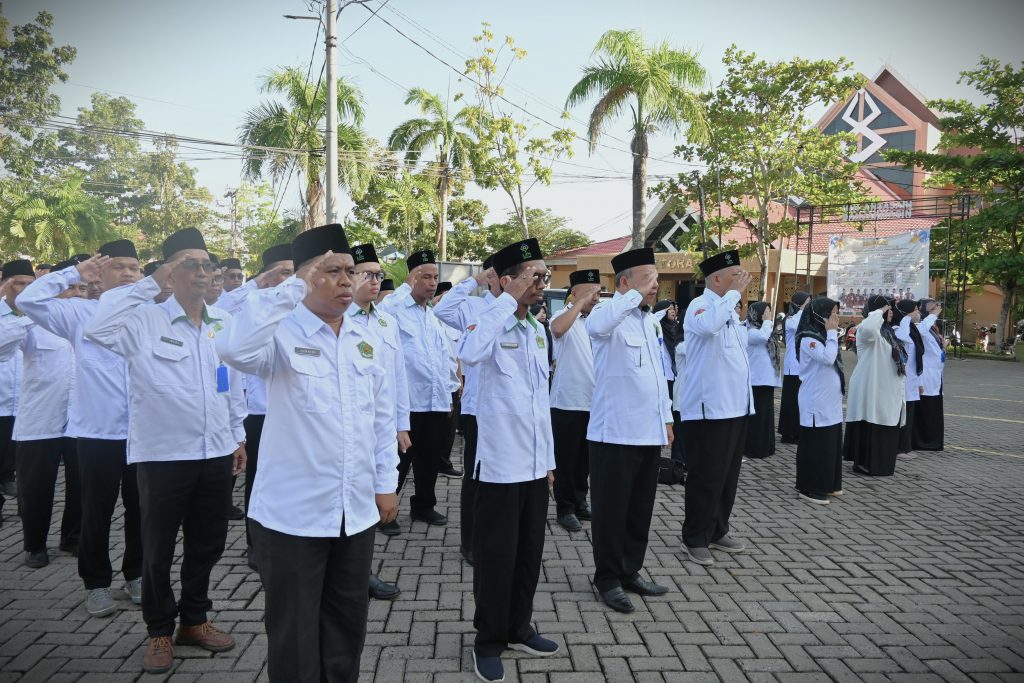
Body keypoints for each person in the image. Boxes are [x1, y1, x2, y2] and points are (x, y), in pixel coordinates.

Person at [217, 223, 398, 682]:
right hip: (292, 516)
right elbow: (234, 349)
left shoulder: (366, 335)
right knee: (294, 635)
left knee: (345, 627)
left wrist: (385, 483)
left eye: (350, 271)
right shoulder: (279, 331)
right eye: (331, 270)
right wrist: (290, 289)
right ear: (304, 276)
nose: (346, 281)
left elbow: (381, 417)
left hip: (354, 512)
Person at [85, 227, 247, 673]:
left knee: (207, 544)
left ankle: (194, 620)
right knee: (157, 549)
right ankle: (159, 630)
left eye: (206, 264)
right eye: (188, 264)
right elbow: (97, 328)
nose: (201, 272)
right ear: (169, 274)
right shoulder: (143, 321)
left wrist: (237, 437)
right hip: (162, 456)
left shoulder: (223, 325)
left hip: (215, 451)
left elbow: (231, 385)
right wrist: (148, 284)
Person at [18, 241, 144, 618]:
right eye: (117, 267)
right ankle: (96, 583)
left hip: (144, 433)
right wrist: (73, 274)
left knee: (141, 510)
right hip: (96, 433)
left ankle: (136, 574)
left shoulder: (153, 314)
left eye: (134, 268)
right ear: (99, 275)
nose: (127, 274)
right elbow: (28, 301)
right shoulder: (78, 313)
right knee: (96, 511)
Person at [459, 238, 559, 682]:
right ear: (505, 280)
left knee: (528, 553)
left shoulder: (537, 330)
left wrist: (551, 462)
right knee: (496, 557)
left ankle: (519, 627)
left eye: (544, 276)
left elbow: (541, 402)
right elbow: (469, 354)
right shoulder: (488, 319)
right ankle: (488, 640)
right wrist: (505, 302)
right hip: (499, 465)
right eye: (533, 276)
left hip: (535, 465)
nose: (541, 283)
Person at [587, 247, 673, 613]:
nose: (655, 285)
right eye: (647, 278)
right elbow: (596, 325)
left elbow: (657, 377)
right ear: (625, 283)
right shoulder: (609, 313)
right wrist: (633, 296)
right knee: (612, 510)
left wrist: (667, 419)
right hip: (614, 434)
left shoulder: (648, 321)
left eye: (656, 278)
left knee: (640, 508)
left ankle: (630, 570)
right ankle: (606, 578)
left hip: (648, 431)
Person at [213, 243, 295, 566]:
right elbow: (222, 303)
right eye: (285, 272)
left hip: (290, 410)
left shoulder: (299, 306)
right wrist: (257, 283)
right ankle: (254, 544)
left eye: (294, 271)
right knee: (257, 480)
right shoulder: (249, 302)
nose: (291, 279)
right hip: (259, 410)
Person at [0, 259, 80, 569]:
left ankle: (72, 537)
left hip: (79, 420)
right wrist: (33, 315)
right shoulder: (35, 322)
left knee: (81, 483)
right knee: (35, 487)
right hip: (40, 419)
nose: (75, 294)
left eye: (81, 288)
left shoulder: (90, 321)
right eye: (69, 288)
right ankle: (34, 544)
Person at [679, 250, 753, 566]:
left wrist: (733, 300)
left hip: (735, 406)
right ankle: (695, 537)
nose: (742, 278)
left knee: (727, 475)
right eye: (735, 274)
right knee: (706, 475)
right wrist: (734, 295)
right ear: (718, 279)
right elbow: (708, 327)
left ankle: (717, 529)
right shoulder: (701, 305)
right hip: (710, 407)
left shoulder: (730, 311)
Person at [377, 250, 456, 527]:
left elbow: (443, 359)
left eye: (435, 277)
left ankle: (423, 505)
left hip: (434, 402)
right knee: (399, 461)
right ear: (411, 279)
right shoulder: (394, 311)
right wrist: (404, 288)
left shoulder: (432, 317)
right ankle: (384, 511)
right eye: (426, 277)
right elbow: (383, 311)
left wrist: (449, 395)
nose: (432, 282)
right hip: (407, 403)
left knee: (429, 460)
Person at [348, 243, 408, 601]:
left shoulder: (386, 321)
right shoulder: (338, 320)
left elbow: (396, 379)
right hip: (348, 426)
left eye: (378, 275)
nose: (375, 281)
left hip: (380, 427)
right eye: (366, 274)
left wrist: (402, 424)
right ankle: (352, 573)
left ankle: (362, 571)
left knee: (374, 501)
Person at [432, 255, 500, 565]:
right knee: (475, 477)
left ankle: (496, 534)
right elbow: (442, 308)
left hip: (509, 413)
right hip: (477, 408)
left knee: (502, 479)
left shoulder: (524, 316)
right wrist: (474, 281)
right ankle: (470, 542)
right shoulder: (475, 306)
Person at [548, 269, 600, 532]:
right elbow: (557, 330)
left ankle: (580, 501)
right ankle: (565, 507)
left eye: (598, 291)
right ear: (575, 292)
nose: (596, 296)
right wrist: (579, 304)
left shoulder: (598, 320)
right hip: (567, 401)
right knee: (566, 459)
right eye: (591, 291)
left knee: (585, 460)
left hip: (594, 402)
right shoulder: (562, 316)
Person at [844, 296, 906, 477]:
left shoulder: (888, 333)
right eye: (889, 308)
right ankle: (866, 464)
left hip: (887, 388)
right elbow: (871, 326)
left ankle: (882, 465)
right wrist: (879, 311)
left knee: (886, 424)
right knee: (871, 422)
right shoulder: (866, 331)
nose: (892, 312)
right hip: (871, 388)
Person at [794, 297, 845, 504]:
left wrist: (832, 333)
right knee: (816, 446)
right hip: (815, 400)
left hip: (829, 402)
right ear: (819, 314)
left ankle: (828, 483)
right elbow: (827, 358)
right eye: (832, 313)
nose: (835, 318)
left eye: (836, 313)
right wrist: (832, 333)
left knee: (830, 444)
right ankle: (810, 487)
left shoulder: (824, 335)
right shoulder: (809, 338)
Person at [0, 261, 27, 500]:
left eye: (30, 284)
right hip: (1, 399)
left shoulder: (43, 316)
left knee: (21, 463)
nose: (24, 289)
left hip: (24, 404)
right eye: (18, 283)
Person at [743, 301, 780, 459]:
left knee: (766, 416)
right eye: (765, 313)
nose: (768, 316)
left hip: (766, 380)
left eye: (769, 313)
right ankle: (755, 447)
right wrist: (767, 322)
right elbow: (762, 337)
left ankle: (767, 446)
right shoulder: (749, 331)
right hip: (755, 380)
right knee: (757, 417)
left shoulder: (765, 330)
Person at [653, 300, 686, 470]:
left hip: (674, 377)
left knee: (673, 416)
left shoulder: (676, 328)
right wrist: (660, 312)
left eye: (675, 308)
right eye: (669, 309)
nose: (673, 311)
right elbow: (653, 318)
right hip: (662, 377)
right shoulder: (656, 327)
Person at [913, 299, 945, 451]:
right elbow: (921, 332)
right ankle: (922, 442)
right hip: (926, 376)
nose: (936, 310)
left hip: (935, 376)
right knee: (925, 410)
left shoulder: (933, 328)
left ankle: (933, 441)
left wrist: (943, 346)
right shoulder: (921, 326)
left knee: (934, 410)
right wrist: (933, 315)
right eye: (932, 308)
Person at [893, 300, 924, 457]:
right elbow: (902, 338)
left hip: (912, 379)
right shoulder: (897, 328)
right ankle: (899, 448)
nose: (918, 313)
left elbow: (917, 357)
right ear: (905, 312)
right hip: (902, 379)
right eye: (915, 310)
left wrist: (919, 382)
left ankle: (906, 447)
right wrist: (906, 318)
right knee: (902, 415)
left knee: (909, 414)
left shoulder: (912, 329)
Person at [778, 291, 810, 443]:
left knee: (800, 400)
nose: (809, 306)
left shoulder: (802, 317)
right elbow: (798, 325)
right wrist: (803, 310)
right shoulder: (790, 320)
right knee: (791, 401)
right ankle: (788, 432)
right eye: (806, 303)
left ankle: (797, 431)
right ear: (799, 304)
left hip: (803, 365)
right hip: (793, 366)